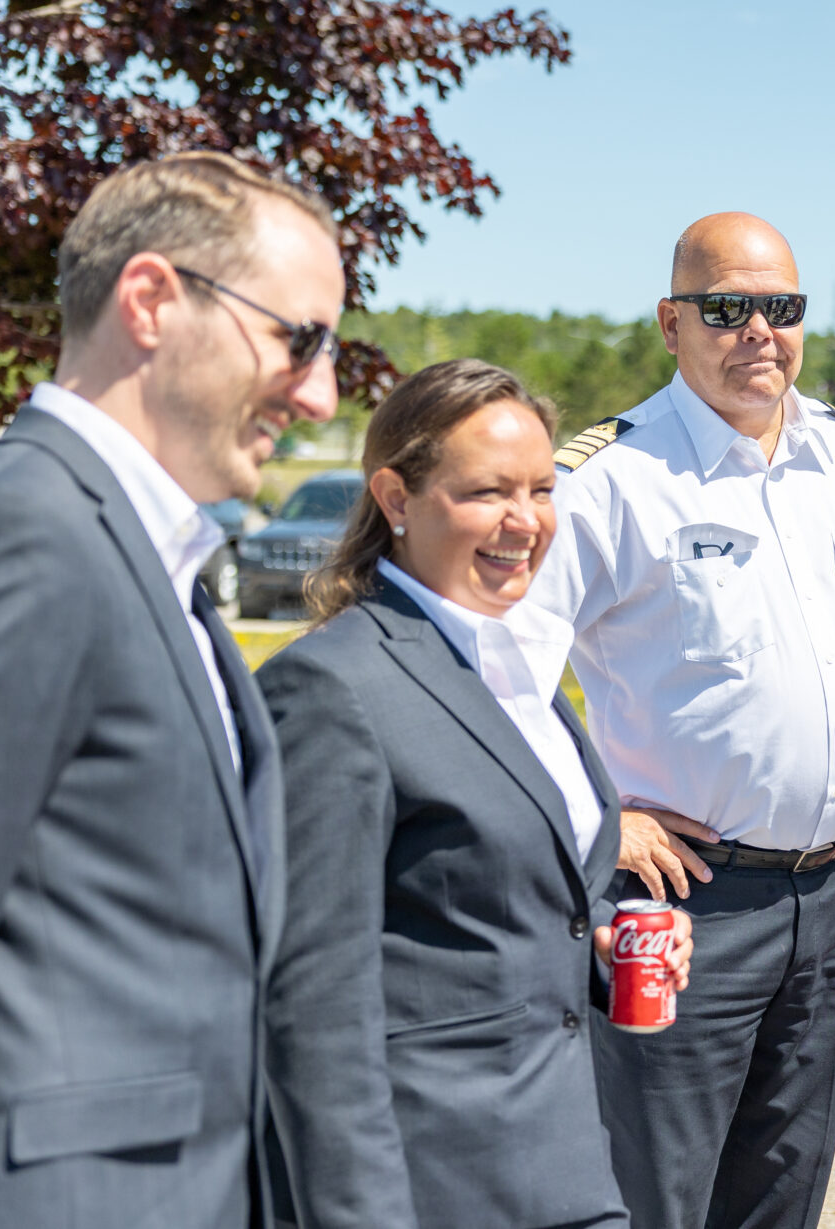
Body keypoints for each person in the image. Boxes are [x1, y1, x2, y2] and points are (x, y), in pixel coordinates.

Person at [0, 153, 342, 1226]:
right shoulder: (19, 537)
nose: (320, 390)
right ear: (150, 301)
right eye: (300, 338)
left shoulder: (142, 553)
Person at [528, 212, 835, 1229]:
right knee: (655, 1190)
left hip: (834, 889)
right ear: (671, 324)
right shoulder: (610, 480)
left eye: (781, 307)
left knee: (783, 1188)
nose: (758, 330)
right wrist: (604, 819)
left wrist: (830, 756)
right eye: (727, 308)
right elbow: (504, 674)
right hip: (682, 904)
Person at [257, 358, 689, 1229]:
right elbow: (306, 1003)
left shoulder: (514, 663)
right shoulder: (332, 688)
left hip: (566, 1153)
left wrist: (601, 946)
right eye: (489, 491)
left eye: (539, 488)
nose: (525, 521)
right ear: (396, 497)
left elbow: (488, 900)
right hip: (433, 1180)